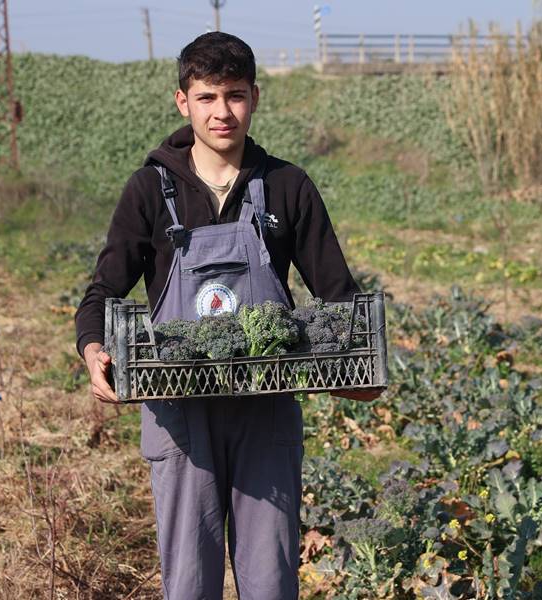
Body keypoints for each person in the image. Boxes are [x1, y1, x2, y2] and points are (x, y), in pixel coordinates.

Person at [75, 32, 382, 599]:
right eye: (208, 97)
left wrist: (353, 367)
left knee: (271, 582)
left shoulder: (288, 187)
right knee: (189, 584)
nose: (223, 112)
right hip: (180, 415)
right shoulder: (150, 189)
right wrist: (94, 350)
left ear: (255, 98)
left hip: (266, 411)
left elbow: (339, 297)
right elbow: (102, 293)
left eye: (235, 96)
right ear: (182, 101)